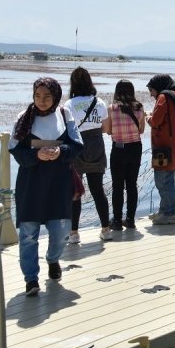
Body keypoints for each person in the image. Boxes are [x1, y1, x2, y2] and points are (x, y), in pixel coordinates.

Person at [9, 77, 84, 297]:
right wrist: (35, 154)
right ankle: (31, 278)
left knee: (61, 231)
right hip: (31, 183)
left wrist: (61, 152)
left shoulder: (64, 115)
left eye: (47, 96)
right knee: (28, 234)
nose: (41, 101)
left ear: (56, 97)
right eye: (37, 96)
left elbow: (77, 145)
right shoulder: (24, 119)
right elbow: (15, 150)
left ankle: (53, 259)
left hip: (59, 183)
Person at [64, 67, 111, 242]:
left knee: (75, 190)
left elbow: (66, 130)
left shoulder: (69, 105)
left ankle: (74, 233)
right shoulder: (99, 102)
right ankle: (106, 230)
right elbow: (106, 129)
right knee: (98, 189)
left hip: (77, 147)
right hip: (96, 146)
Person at [104, 80, 145, 232]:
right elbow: (141, 131)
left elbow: (108, 131)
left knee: (117, 186)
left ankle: (116, 221)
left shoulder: (112, 108)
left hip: (118, 149)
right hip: (135, 148)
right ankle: (130, 220)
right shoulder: (139, 107)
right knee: (132, 185)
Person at [146, 74, 175, 225]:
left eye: (151, 90)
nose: (151, 94)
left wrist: (148, 118)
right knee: (167, 177)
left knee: (163, 181)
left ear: (158, 87)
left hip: (164, 147)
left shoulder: (163, 98)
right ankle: (165, 209)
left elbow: (156, 121)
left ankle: (170, 213)